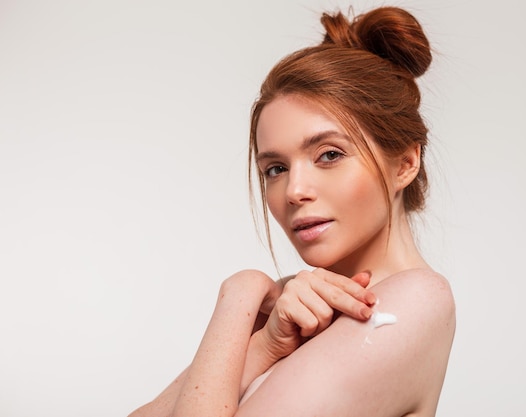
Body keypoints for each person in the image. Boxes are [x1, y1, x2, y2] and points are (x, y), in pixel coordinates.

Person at [129, 5, 455, 417]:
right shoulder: (291, 307)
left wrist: (239, 294)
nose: (294, 191)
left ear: (405, 163)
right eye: (276, 169)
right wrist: (262, 346)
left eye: (329, 154)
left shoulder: (410, 303)